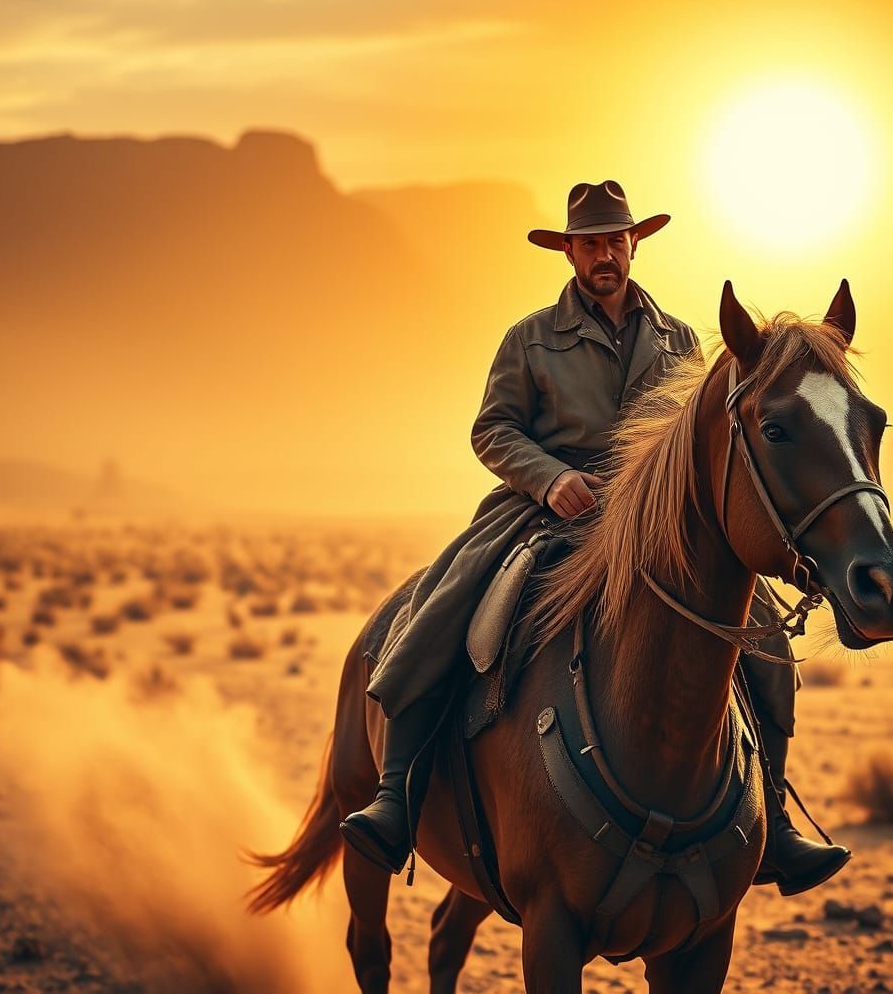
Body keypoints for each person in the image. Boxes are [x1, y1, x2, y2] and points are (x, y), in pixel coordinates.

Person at [339, 180, 850, 898]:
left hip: (654, 522)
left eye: (616, 240)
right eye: (590, 243)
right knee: (449, 601)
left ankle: (775, 811)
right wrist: (550, 480)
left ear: (634, 244)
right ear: (570, 252)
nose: (604, 254)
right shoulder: (530, 339)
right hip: (549, 511)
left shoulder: (678, 340)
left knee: (758, 631)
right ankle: (395, 795)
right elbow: (493, 429)